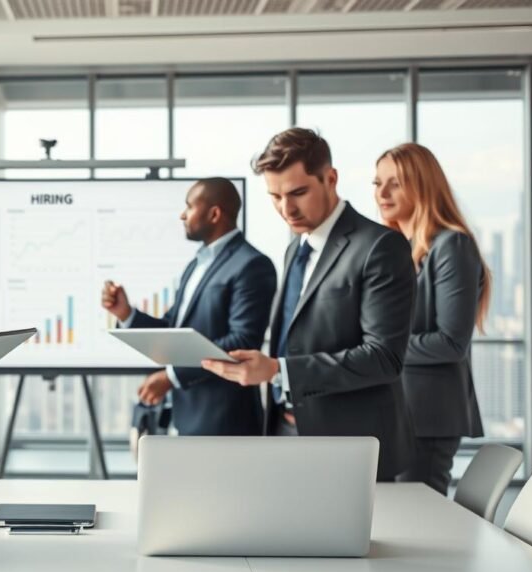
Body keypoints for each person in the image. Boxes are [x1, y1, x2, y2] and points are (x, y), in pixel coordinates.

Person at [201, 128, 415, 480]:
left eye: (298, 192)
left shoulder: (380, 247)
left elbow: (384, 358)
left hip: (348, 446)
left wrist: (277, 370)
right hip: (283, 433)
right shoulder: (294, 250)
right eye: (275, 196)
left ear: (330, 178)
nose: (286, 209)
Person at [101, 178, 277, 436]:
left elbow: (241, 341)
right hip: (185, 416)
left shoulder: (251, 265)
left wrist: (172, 377)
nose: (183, 215)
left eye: (189, 207)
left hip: (224, 422)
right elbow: (173, 329)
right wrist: (126, 314)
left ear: (214, 213)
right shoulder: (195, 266)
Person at [374, 143, 489, 494]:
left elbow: (451, 343)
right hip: (398, 414)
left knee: (418, 528)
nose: (383, 192)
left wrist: (381, 351)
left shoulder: (451, 246)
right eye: (377, 183)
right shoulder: (398, 248)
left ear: (423, 184)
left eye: (395, 182)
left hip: (427, 417)